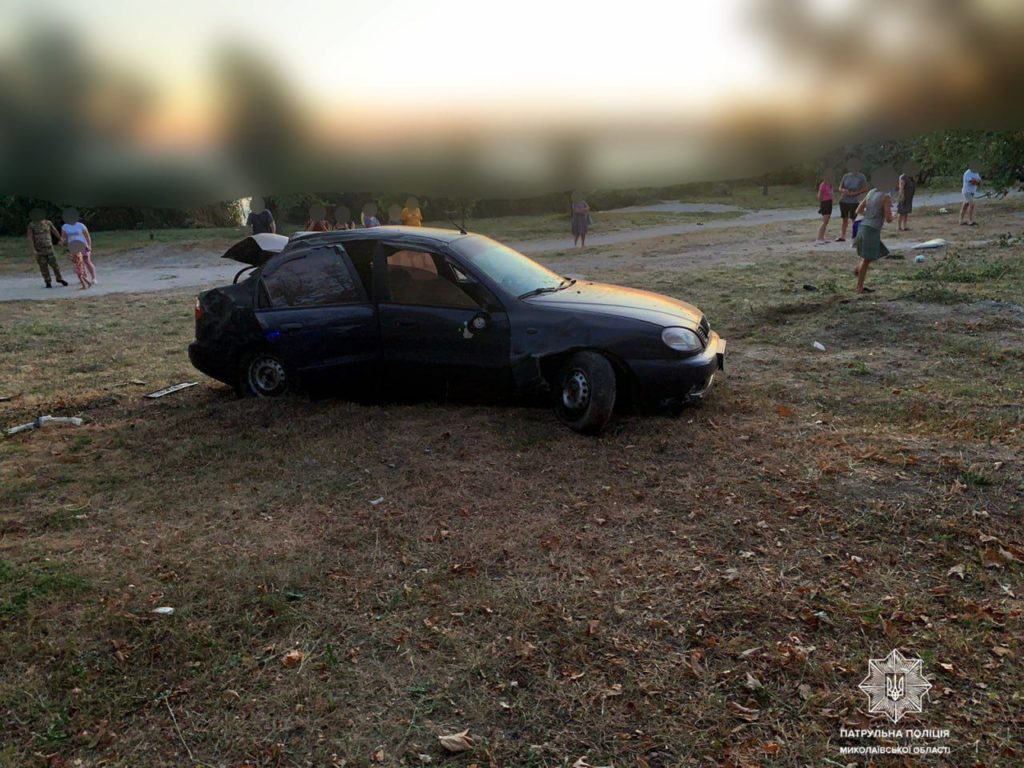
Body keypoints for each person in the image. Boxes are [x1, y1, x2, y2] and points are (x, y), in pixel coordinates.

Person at [853, 167, 896, 294]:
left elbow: (858, 210)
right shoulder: (886, 197)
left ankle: (857, 270)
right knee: (867, 259)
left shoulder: (871, 192)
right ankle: (859, 287)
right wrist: (894, 215)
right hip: (871, 230)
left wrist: (870, 213)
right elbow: (888, 218)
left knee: (874, 254)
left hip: (863, 226)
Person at [26, 209, 68, 288]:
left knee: (55, 265)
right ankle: (48, 281)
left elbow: (54, 231)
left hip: (49, 248)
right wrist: (33, 250)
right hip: (39, 250)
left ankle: (59, 279)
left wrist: (60, 238)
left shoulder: (48, 223)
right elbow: (30, 237)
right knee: (43, 266)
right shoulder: (31, 225)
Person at [61, 208, 96, 287]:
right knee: (78, 263)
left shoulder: (81, 225)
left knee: (87, 261)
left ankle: (93, 278)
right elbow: (64, 237)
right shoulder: (65, 226)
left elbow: (87, 237)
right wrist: (62, 241)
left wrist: (89, 246)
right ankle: (84, 278)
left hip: (83, 245)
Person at [837, 159, 868, 242]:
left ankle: (855, 236)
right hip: (844, 200)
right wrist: (843, 190)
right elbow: (840, 187)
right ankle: (842, 236)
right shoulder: (846, 176)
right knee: (844, 219)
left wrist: (855, 193)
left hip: (854, 201)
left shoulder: (861, 176)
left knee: (854, 219)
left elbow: (865, 188)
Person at [896, 162, 918, 231]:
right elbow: (901, 187)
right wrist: (902, 196)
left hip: (909, 197)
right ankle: (899, 227)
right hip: (904, 196)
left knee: (906, 211)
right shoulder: (903, 177)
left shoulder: (911, 177)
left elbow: (914, 184)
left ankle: (904, 226)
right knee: (901, 211)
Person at [815, 170, 834, 244]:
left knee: (826, 221)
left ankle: (822, 237)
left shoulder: (830, 185)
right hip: (825, 203)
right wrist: (822, 203)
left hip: (829, 202)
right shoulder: (823, 185)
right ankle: (819, 238)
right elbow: (819, 196)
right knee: (824, 221)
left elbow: (831, 194)